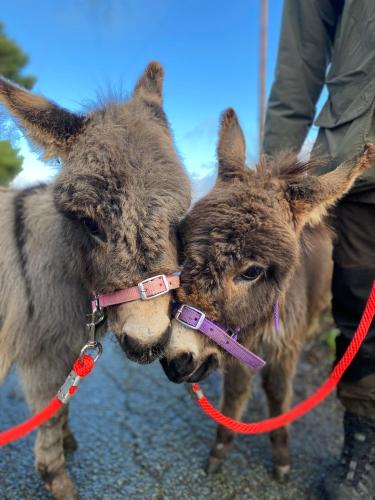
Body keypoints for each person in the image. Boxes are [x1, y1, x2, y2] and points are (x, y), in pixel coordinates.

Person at [263, 1, 375, 498]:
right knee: (358, 313)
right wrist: (270, 187)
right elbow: (299, 64)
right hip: (356, 167)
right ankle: (364, 437)